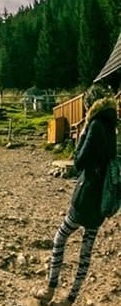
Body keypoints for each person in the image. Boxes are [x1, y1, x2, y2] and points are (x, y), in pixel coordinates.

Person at [32, 85, 117, 305]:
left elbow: (79, 162)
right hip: (101, 201)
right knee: (86, 251)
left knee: (60, 238)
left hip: (86, 197)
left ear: (89, 105)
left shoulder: (95, 125)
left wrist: (80, 136)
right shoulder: (111, 126)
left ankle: (50, 289)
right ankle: (71, 298)